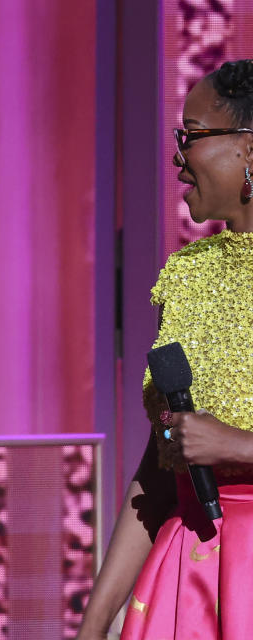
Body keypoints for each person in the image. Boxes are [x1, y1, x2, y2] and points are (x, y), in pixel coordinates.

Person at [78, 59, 253, 640]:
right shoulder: (184, 277)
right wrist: (96, 618)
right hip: (188, 570)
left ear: (248, 148)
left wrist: (236, 445)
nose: (178, 158)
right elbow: (161, 461)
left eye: (192, 136)